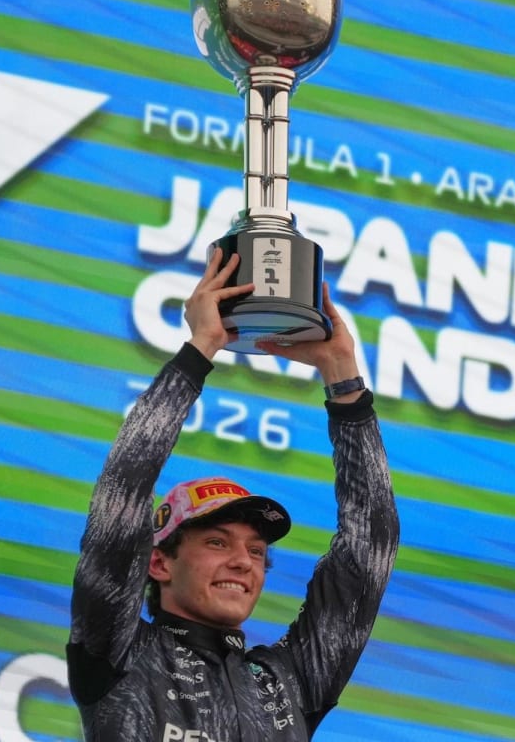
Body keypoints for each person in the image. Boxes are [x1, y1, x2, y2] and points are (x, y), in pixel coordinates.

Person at [66, 249, 400, 741]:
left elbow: (370, 545)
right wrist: (200, 349)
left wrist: (342, 375)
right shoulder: (118, 651)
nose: (245, 562)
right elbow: (123, 496)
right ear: (158, 564)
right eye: (217, 542)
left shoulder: (288, 681)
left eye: (257, 551)